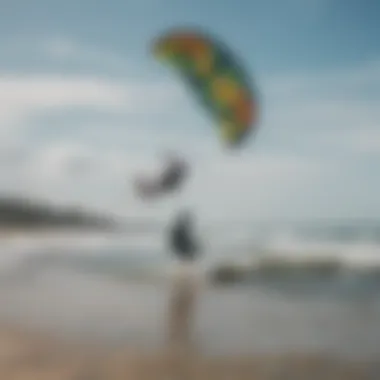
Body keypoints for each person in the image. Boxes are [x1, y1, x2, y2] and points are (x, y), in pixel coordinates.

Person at [166, 210, 201, 350]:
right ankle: (181, 329)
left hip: (179, 265)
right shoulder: (183, 232)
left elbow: (174, 247)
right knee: (186, 300)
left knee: (177, 300)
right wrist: (194, 249)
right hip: (186, 265)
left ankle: (176, 328)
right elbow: (193, 249)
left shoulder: (176, 231)